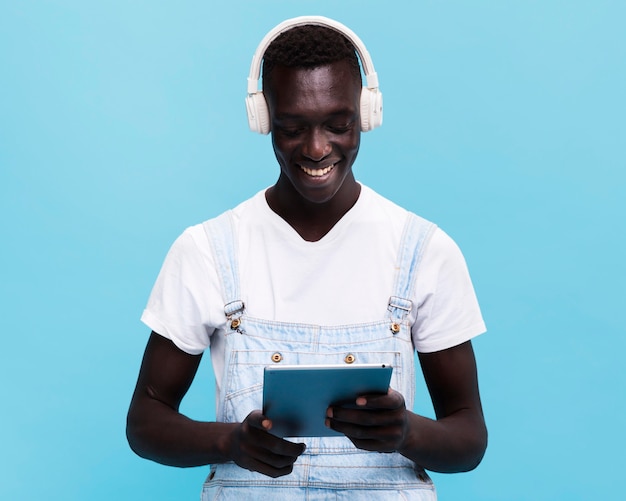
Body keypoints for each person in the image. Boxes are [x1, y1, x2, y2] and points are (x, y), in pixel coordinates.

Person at [127, 16, 487, 500]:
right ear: (263, 121)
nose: (317, 149)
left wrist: (407, 433)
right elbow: (145, 421)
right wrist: (230, 441)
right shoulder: (208, 250)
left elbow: (469, 439)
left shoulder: (423, 250)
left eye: (338, 125)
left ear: (366, 112)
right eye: (291, 128)